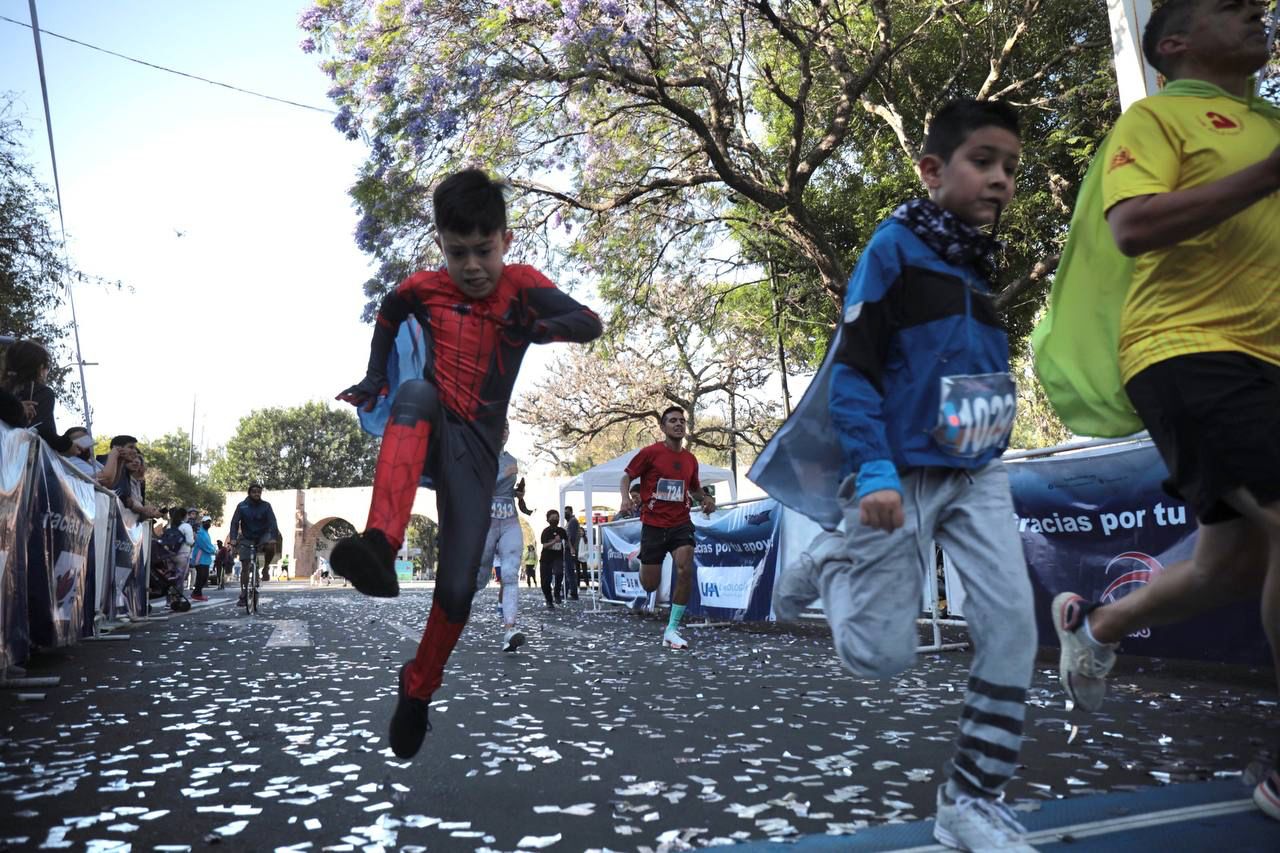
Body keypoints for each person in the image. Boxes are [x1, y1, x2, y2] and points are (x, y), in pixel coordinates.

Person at [770, 99, 1037, 851]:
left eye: (1011, 169)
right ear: (931, 169)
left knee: (1013, 624)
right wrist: (876, 470)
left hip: (978, 470)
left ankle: (970, 799)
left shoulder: (979, 261)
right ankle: (835, 558)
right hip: (900, 476)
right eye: (983, 162)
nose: (1001, 181)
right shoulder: (891, 248)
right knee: (882, 656)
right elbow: (851, 372)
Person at [1045, 0, 1280, 823]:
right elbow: (1134, 226)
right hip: (1189, 350)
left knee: (1235, 565)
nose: (1258, 9)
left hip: (1270, 360)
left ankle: (1098, 628)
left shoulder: (1269, 122)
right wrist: (1268, 172)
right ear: (1174, 43)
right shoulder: (1158, 118)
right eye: (1231, 5)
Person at [329, 168, 602, 760]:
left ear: (506, 240)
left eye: (484, 250)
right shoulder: (424, 288)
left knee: (456, 589)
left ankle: (418, 689)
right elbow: (389, 310)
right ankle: (380, 543)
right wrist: (377, 376)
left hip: (477, 451)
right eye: (458, 252)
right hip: (428, 426)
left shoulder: (523, 287)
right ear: (441, 246)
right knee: (414, 393)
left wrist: (537, 324)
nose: (473, 265)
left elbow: (589, 322)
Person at [619, 406, 716, 650]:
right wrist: (624, 498)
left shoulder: (690, 459)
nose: (678, 424)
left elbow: (694, 489)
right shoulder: (650, 453)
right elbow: (626, 477)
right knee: (650, 584)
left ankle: (672, 629)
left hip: (680, 523)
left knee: (685, 569)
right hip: (653, 524)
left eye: (682, 421)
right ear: (663, 428)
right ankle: (643, 560)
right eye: (672, 421)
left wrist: (705, 498)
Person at [474, 421, 528, 652]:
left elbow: (506, 490)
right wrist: (501, 476)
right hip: (485, 522)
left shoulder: (512, 460)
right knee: (480, 577)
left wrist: (518, 493)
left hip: (509, 520)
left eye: (506, 428)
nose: (503, 431)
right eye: (499, 427)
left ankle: (509, 630)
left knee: (509, 574)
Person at [0, 340, 71, 453]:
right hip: (17, 463)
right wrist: (68, 445)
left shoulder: (4, 390)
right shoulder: (43, 392)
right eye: (48, 367)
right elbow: (44, 431)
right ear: (40, 368)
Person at [227, 484, 281, 607]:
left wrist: (273, 537)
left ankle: (266, 567)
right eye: (254, 492)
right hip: (247, 537)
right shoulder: (242, 506)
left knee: (270, 546)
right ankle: (243, 593)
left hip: (263, 535)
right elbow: (235, 522)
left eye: (259, 492)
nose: (257, 494)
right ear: (249, 493)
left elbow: (272, 522)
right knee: (245, 565)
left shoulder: (266, 506)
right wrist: (234, 538)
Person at [539, 509, 568, 609]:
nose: (555, 519)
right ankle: (549, 600)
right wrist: (554, 541)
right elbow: (545, 545)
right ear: (548, 519)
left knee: (559, 573)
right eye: (552, 518)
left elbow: (567, 540)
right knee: (545, 582)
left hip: (558, 557)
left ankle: (557, 592)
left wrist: (572, 549)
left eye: (557, 518)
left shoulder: (561, 530)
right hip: (546, 558)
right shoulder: (546, 531)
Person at [190, 514, 216, 602]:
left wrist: (212, 549)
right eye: (206, 522)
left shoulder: (205, 533)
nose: (208, 524)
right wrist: (213, 550)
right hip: (199, 559)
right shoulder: (200, 533)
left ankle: (197, 593)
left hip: (205, 560)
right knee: (202, 577)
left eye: (209, 522)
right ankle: (196, 593)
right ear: (203, 523)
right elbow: (204, 545)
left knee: (203, 577)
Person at [563, 506, 581, 600]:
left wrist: (571, 547)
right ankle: (566, 592)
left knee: (569, 571)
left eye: (566, 512)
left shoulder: (573, 521)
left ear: (570, 512)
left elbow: (571, 537)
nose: (565, 514)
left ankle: (573, 593)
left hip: (570, 549)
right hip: (570, 549)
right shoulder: (569, 522)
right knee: (568, 571)